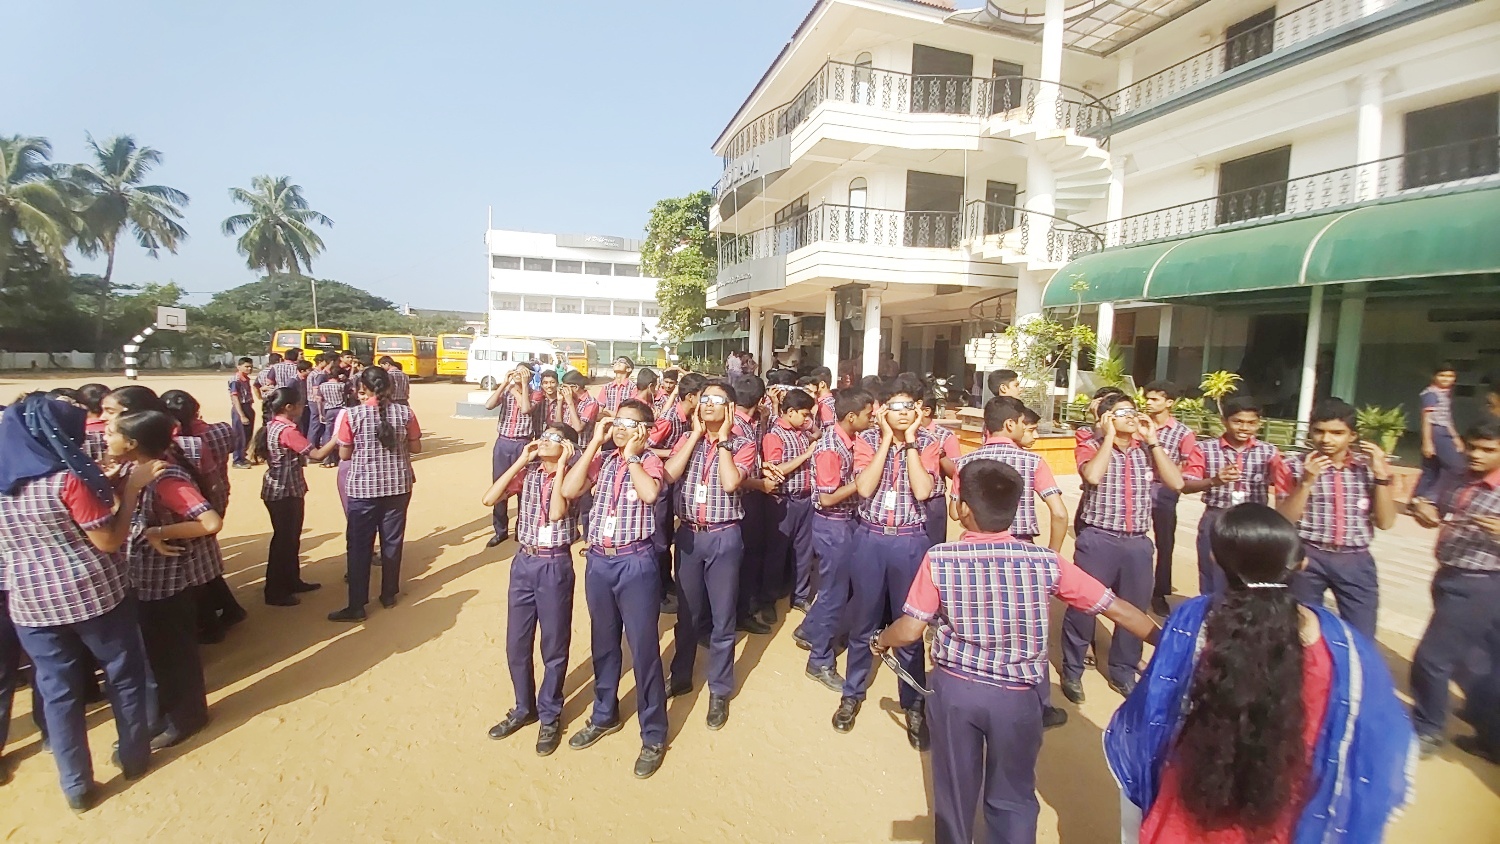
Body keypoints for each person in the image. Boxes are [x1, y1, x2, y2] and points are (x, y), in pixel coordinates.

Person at [875, 460, 1161, 844]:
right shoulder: (1046, 562)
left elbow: (910, 629)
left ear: (962, 509)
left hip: (958, 690)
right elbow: (1118, 609)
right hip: (1019, 696)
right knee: (1012, 797)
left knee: (955, 795)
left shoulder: (940, 559)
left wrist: (881, 640)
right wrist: (1172, 640)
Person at [1106, 504, 1415, 844]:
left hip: (1193, 803)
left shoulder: (1195, 622)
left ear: (1216, 561)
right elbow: (1377, 738)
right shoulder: (1344, 648)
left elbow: (1154, 712)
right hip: (1287, 809)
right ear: (1301, 564)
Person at [0, 393, 161, 812]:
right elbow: (108, 539)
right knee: (123, 676)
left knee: (58, 692)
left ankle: (75, 784)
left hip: (30, 603)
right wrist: (130, 492)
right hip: (92, 595)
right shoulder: (64, 481)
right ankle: (134, 756)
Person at [558, 400, 669, 779]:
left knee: (643, 649)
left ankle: (653, 734)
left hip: (635, 562)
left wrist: (634, 457)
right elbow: (571, 489)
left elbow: (650, 495)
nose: (620, 428)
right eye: (616, 421)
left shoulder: (650, 461)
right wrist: (594, 442)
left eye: (629, 424)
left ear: (645, 430)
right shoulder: (602, 461)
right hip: (600, 561)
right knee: (603, 642)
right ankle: (604, 714)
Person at [108, 409, 223, 750]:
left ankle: (185, 719)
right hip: (146, 578)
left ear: (132, 443)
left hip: (167, 582)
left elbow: (209, 522)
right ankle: (166, 716)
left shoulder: (165, 478)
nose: (104, 436)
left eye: (111, 431)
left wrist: (158, 530)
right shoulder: (136, 472)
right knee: (157, 655)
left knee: (173, 654)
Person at [836, 380, 942, 747]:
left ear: (918, 411)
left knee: (909, 625)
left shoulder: (928, 444)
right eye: (895, 407)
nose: (903, 413)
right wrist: (885, 440)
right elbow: (864, 488)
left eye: (909, 406)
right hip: (871, 537)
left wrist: (910, 442)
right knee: (863, 619)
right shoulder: (866, 442)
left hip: (910, 541)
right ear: (882, 411)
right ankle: (852, 693)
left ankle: (913, 704)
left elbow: (923, 490)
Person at [1063, 393, 1185, 704]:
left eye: (1133, 411)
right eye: (1122, 413)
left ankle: (1122, 671)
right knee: (1083, 607)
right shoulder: (1090, 444)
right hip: (1099, 539)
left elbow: (1177, 483)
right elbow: (1092, 474)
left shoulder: (1147, 449)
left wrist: (1154, 441)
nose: (1132, 417)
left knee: (1132, 609)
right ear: (1106, 419)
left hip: (1137, 543)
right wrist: (1108, 438)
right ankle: (1072, 670)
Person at [662, 380, 758, 731]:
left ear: (730, 409)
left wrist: (724, 441)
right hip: (688, 534)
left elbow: (732, 483)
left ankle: (719, 688)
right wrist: (695, 436)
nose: (707, 405)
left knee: (721, 619)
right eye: (704, 400)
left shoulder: (743, 444)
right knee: (688, 614)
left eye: (717, 401)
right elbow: (669, 475)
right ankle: (682, 674)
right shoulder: (687, 441)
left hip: (723, 536)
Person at [482, 422, 581, 757]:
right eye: (544, 436)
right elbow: (489, 498)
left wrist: (564, 465)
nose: (544, 442)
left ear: (568, 446)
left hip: (554, 564)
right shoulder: (530, 474)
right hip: (524, 561)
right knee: (516, 643)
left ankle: (550, 714)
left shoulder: (572, 479)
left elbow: (556, 513)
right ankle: (524, 706)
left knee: (553, 646)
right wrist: (520, 460)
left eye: (554, 439)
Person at [1408, 418, 1500, 760]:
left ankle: (1428, 728)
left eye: (1488, 450)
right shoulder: (1462, 479)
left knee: (1432, 659)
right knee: (1477, 663)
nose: (1476, 454)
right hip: (1450, 575)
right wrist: (1424, 510)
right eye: (1472, 447)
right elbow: (1436, 508)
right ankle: (1492, 736)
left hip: (1481, 584)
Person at [1276, 398, 1396, 639]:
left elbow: (1385, 522)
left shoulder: (1368, 468)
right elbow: (1284, 520)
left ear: (1352, 436)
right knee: (1302, 630)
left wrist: (1381, 477)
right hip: (1308, 555)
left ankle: (1353, 674)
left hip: (1355, 558)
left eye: (1337, 433)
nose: (1326, 439)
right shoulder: (1294, 466)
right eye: (1319, 431)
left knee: (1361, 632)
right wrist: (1307, 482)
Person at [328, 367, 423, 622]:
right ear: (390, 387)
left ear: (364, 389)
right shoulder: (406, 413)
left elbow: (345, 454)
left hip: (363, 488)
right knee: (392, 541)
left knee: (359, 546)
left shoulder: (352, 414)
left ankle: (357, 604)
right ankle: (389, 593)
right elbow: (416, 447)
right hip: (398, 486)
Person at [798, 388, 874, 691]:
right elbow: (828, 498)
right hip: (833, 525)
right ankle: (819, 661)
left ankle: (809, 630)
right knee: (834, 593)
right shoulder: (831, 447)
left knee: (836, 588)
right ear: (852, 416)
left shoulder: (849, 441)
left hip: (843, 522)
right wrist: (860, 483)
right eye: (869, 414)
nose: (872, 418)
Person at [1180, 396, 1290, 596]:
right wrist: (1214, 481)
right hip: (1217, 517)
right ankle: (1211, 617)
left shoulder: (1269, 453)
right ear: (1224, 421)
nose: (1244, 428)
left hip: (1254, 522)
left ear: (1259, 424)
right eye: (1238, 421)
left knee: (1253, 577)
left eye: (1251, 423)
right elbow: (1186, 485)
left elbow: (1285, 488)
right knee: (1211, 575)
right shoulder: (1205, 449)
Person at [251, 388, 339, 606]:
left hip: (280, 488)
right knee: (284, 540)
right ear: (289, 407)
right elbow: (317, 454)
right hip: (285, 490)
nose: (302, 408)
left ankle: (290, 580)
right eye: (299, 405)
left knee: (288, 538)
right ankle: (275, 590)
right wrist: (337, 438)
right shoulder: (288, 431)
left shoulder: (273, 425)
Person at [646, 372, 705, 611]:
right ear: (690, 397)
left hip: (675, 483)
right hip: (661, 482)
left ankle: (666, 582)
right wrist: (675, 454)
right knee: (659, 537)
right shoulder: (670, 419)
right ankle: (656, 593)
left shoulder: (690, 417)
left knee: (668, 532)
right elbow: (646, 447)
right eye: (703, 397)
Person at [1140, 382, 1197, 616]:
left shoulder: (1184, 433)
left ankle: (1159, 592)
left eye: (1154, 399)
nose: (1149, 403)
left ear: (1169, 402)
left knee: (1165, 543)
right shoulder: (1138, 426)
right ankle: (1137, 587)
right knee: (1136, 540)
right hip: (1138, 488)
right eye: (1148, 398)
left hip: (1165, 491)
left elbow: (1186, 465)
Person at [730, 374, 780, 634]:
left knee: (749, 557)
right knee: (745, 559)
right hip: (740, 501)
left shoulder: (746, 423)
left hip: (746, 500)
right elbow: (728, 476)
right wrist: (760, 484)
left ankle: (743, 610)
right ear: (761, 400)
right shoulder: (737, 428)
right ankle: (740, 613)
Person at [762, 389, 819, 614]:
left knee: (803, 550)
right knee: (776, 552)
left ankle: (801, 595)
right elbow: (775, 471)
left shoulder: (801, 432)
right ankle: (768, 599)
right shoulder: (774, 436)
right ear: (790, 412)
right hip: (783, 501)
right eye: (804, 414)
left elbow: (817, 432)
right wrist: (806, 456)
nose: (808, 419)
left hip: (804, 499)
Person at [485, 362, 536, 548]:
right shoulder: (505, 391)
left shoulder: (534, 393)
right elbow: (489, 405)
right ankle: (500, 530)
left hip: (523, 443)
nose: (517, 375)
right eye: (516, 371)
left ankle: (521, 528)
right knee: (500, 485)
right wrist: (503, 384)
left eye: (522, 372)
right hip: (503, 441)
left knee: (523, 488)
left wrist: (521, 385)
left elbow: (525, 408)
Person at [1417, 363, 1466, 500]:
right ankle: (1434, 497)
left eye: (1450, 376)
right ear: (1434, 376)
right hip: (1436, 432)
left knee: (1431, 470)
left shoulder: (1445, 394)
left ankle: (1418, 499)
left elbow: (1447, 418)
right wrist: (1427, 442)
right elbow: (1427, 418)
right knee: (1457, 467)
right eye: (1442, 375)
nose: (1446, 379)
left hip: (1444, 430)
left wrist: (1455, 437)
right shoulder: (1431, 394)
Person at [920, 390, 961, 548]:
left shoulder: (945, 436)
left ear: (926, 411)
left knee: (933, 547)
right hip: (907, 500)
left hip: (933, 502)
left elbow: (956, 473)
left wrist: (941, 456)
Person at [315, 366, 350, 468]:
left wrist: (321, 413)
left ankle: (327, 460)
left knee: (328, 433)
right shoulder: (341, 385)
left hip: (328, 410)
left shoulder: (322, 386)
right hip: (341, 410)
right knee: (340, 433)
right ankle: (339, 458)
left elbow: (319, 400)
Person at [229, 357, 256, 468]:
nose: (249, 369)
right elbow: (235, 398)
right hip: (240, 408)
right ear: (239, 367)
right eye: (246, 366)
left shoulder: (246, 379)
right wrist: (242, 415)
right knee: (239, 435)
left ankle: (243, 456)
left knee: (247, 434)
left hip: (248, 406)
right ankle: (237, 460)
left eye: (250, 367)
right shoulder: (235, 380)